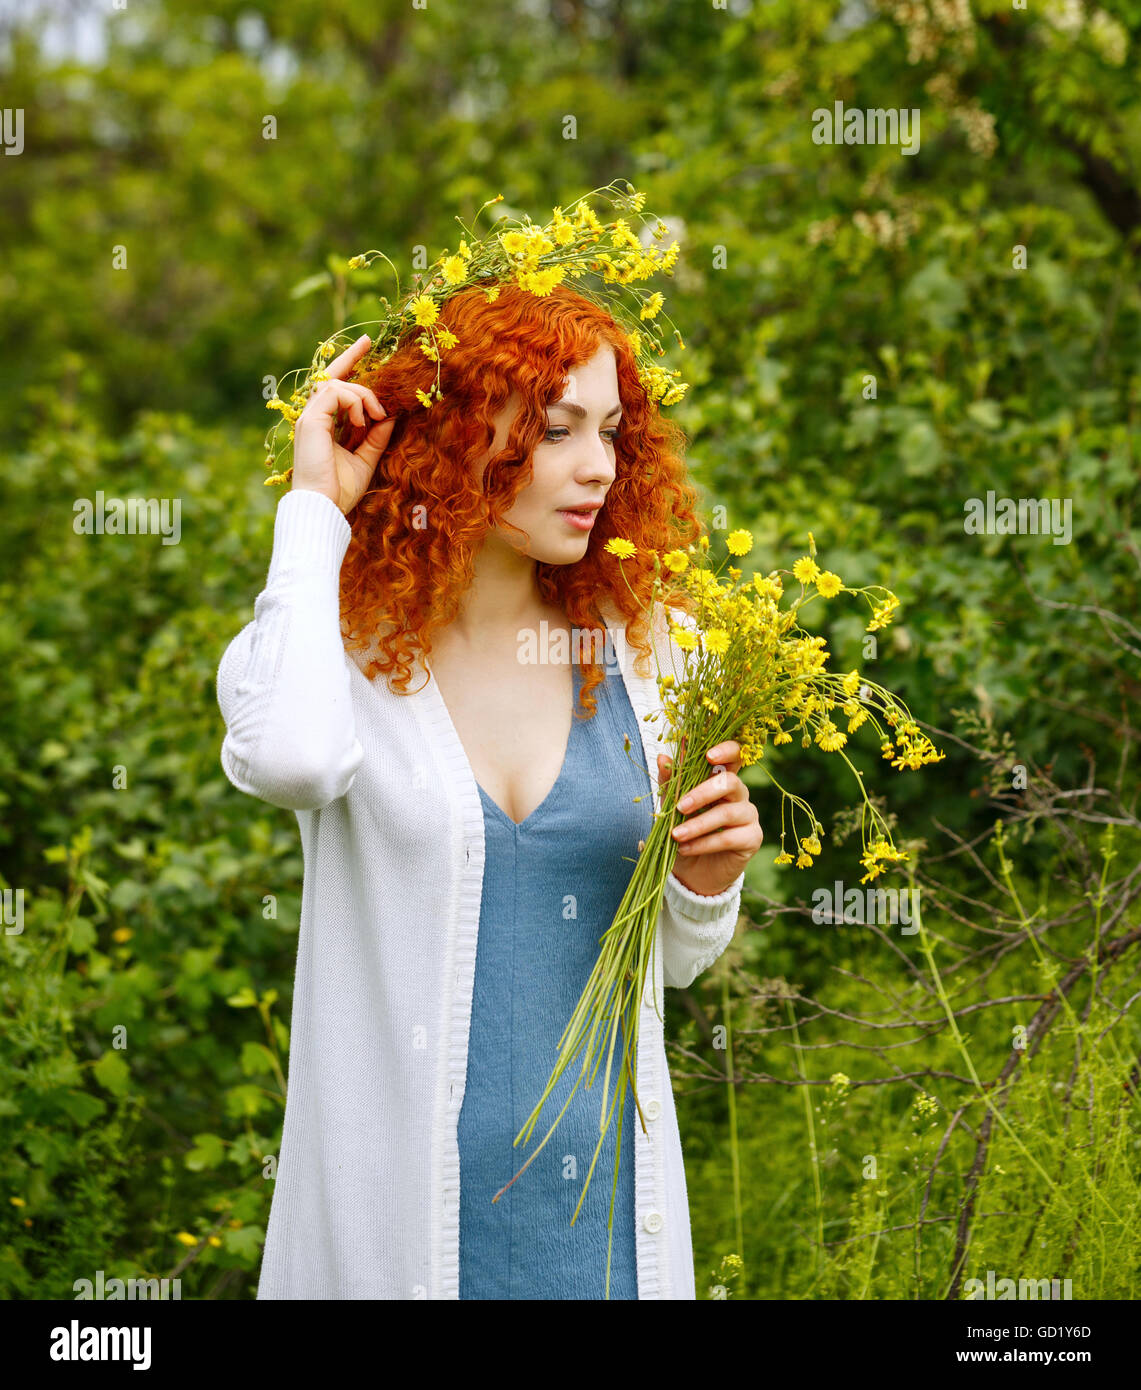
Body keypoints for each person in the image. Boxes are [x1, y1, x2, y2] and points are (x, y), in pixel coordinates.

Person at [216, 281, 764, 1299]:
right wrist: (309, 512)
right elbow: (287, 759)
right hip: (395, 1240)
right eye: (556, 431)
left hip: (604, 1239)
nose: (597, 466)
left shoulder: (654, 655)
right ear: (459, 432)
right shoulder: (334, 652)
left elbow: (676, 966)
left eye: (609, 431)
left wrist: (705, 878)